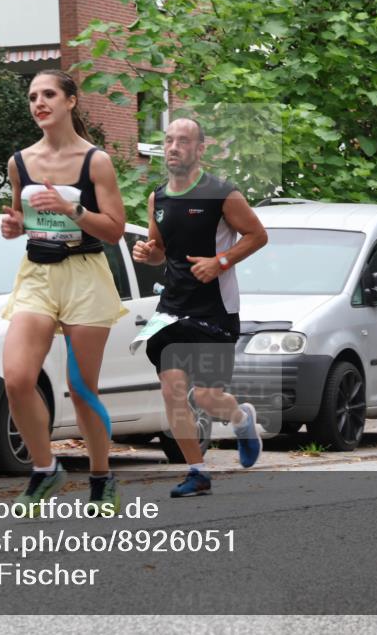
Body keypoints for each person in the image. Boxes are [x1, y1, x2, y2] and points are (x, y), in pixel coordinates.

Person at [0, 69, 127, 514]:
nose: (39, 102)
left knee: (81, 387)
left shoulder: (96, 162)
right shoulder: (19, 162)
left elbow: (114, 230)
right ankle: (44, 468)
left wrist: (73, 210)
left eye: (49, 94)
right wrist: (13, 226)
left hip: (85, 274)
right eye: (33, 96)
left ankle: (101, 477)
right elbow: (22, 219)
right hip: (37, 272)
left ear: (70, 101)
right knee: (17, 379)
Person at [132, 118, 268, 497]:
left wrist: (219, 262)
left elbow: (258, 235)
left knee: (207, 398)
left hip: (215, 310)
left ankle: (241, 419)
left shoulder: (222, 194)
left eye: (183, 141)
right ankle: (197, 471)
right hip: (172, 309)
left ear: (200, 149)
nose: (174, 147)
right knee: (172, 389)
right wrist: (147, 253)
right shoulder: (158, 198)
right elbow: (160, 251)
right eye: (169, 140)